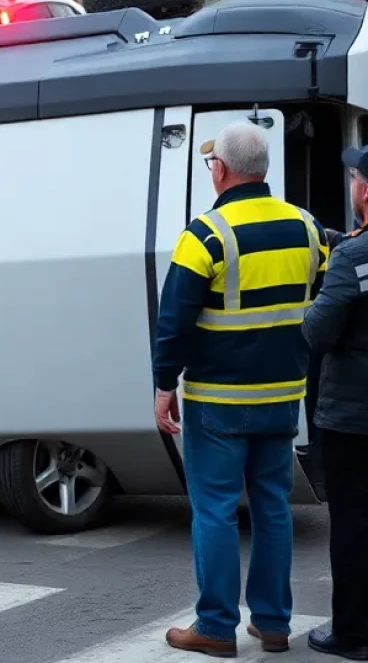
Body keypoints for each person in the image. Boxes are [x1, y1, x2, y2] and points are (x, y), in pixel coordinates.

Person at [153, 121, 329, 657]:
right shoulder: (308, 227)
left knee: (215, 511)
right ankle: (273, 623)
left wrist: (164, 385)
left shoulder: (205, 234)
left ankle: (215, 626)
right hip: (281, 398)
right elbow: (320, 298)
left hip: (218, 403)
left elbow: (175, 320)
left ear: (221, 170)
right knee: (273, 508)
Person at [301, 145, 368, 660]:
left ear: (365, 189)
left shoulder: (352, 256)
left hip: (354, 417)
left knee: (351, 524)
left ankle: (351, 632)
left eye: (353, 176)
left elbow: (318, 333)